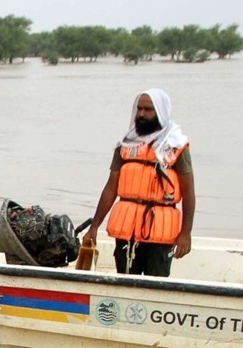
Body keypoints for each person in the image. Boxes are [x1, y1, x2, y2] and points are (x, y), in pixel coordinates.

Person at [82, 88, 195, 277]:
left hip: (161, 229)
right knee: (125, 280)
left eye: (148, 110)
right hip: (127, 229)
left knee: (156, 284)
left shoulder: (176, 146)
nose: (142, 114)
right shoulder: (125, 145)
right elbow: (111, 188)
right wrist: (94, 226)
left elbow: (189, 192)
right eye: (139, 109)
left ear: (161, 112)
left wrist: (186, 232)